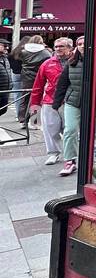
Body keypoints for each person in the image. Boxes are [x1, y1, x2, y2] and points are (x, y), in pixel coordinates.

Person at [29, 36, 73, 165]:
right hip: (50, 101)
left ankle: (71, 154)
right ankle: (53, 153)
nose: (58, 49)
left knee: (70, 130)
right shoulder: (47, 64)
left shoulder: (77, 62)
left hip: (70, 100)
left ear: (70, 48)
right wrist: (35, 104)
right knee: (50, 129)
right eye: (56, 46)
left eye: (62, 46)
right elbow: (38, 85)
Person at [52, 36, 84, 177]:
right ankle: (70, 160)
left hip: (93, 103)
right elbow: (62, 84)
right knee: (70, 130)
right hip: (73, 101)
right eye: (79, 43)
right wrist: (56, 103)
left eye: (85, 43)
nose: (82, 46)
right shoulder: (72, 62)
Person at [13, 35, 52, 125]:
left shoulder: (23, 52)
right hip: (40, 78)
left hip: (26, 78)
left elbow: (16, 59)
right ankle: (35, 121)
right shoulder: (46, 53)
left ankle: (22, 120)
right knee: (37, 99)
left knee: (24, 99)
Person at [0, 37, 12, 117]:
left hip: (5, 89)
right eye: (4, 45)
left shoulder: (5, 58)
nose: (6, 47)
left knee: (3, 109)